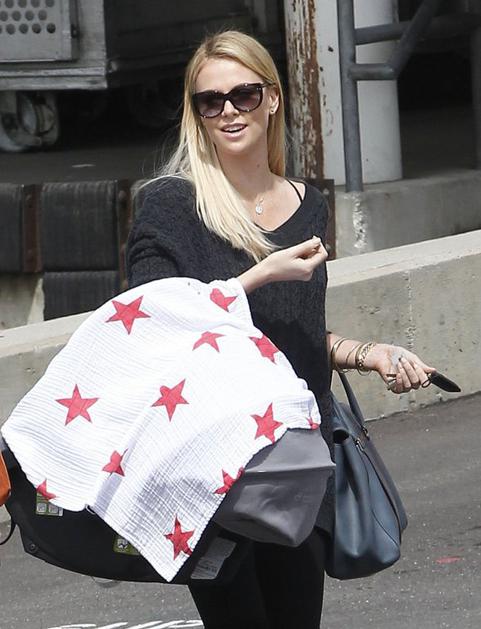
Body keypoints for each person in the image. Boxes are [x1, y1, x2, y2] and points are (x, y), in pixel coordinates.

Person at [127, 30, 435, 629]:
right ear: (196, 113)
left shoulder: (307, 204)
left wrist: (368, 353)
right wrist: (258, 275)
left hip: (297, 457)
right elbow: (150, 323)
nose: (229, 111)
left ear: (271, 98)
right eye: (210, 101)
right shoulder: (171, 205)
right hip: (212, 466)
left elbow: (290, 335)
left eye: (243, 95)